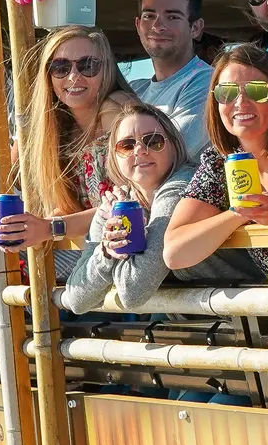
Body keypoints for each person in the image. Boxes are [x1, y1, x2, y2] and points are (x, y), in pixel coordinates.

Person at [0, 27, 133, 279]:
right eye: (60, 67)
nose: (73, 77)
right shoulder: (59, 130)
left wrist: (51, 227)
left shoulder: (117, 111)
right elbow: (13, 180)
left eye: (87, 65)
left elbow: (131, 205)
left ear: (108, 70)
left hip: (133, 254)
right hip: (101, 256)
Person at [163, 45, 268, 279]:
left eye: (256, 91)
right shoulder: (218, 163)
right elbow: (174, 252)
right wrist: (241, 213)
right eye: (226, 93)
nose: (240, 102)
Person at [60, 103, 191, 314]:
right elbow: (76, 300)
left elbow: (131, 292)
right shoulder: (116, 204)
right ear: (114, 156)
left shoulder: (182, 185)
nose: (140, 150)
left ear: (174, 145)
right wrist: (106, 254)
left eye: (153, 141)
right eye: (127, 146)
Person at [120, 0, 215, 160]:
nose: (158, 26)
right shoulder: (134, 89)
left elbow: (169, 155)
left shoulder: (207, 81)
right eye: (149, 16)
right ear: (138, 25)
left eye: (172, 17)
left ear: (195, 28)